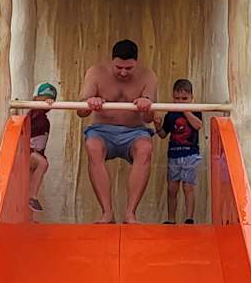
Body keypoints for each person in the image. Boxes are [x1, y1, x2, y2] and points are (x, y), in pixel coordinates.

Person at [78, 39, 157, 224]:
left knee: (145, 148)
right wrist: (91, 102)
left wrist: (146, 106)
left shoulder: (148, 76)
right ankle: (107, 212)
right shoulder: (95, 72)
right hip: (102, 130)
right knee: (92, 146)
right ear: (111, 61)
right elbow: (80, 112)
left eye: (128, 68)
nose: (123, 72)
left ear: (136, 63)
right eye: (118, 67)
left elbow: (149, 119)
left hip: (134, 131)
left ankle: (130, 213)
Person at [156, 78, 203, 223]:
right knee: (172, 188)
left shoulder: (195, 110)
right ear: (172, 97)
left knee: (188, 187)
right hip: (174, 155)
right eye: (177, 98)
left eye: (184, 99)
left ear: (191, 98)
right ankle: (171, 219)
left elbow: (198, 125)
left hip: (190, 154)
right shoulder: (170, 114)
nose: (180, 101)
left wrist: (186, 111)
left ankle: (189, 219)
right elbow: (163, 134)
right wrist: (157, 126)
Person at [28, 82, 57, 212]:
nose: (47, 102)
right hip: (28, 152)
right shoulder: (33, 114)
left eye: (50, 99)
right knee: (43, 163)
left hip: (36, 153)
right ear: (35, 98)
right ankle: (32, 197)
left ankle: (28, 207)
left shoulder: (44, 120)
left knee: (29, 180)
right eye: (44, 99)